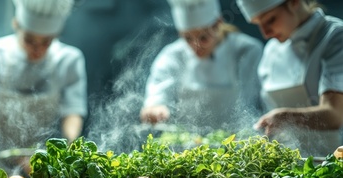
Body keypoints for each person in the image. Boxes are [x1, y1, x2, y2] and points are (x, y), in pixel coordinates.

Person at [0, 0, 87, 173]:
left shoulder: (69, 60)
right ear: (16, 24)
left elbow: (72, 113)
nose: (37, 50)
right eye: (30, 40)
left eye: (46, 42)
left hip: (42, 164)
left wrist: (69, 149)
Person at [237, 0, 343, 157]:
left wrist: (284, 117)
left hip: (332, 164)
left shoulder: (334, 36)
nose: (265, 33)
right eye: (258, 24)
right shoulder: (271, 51)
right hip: (288, 163)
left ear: (295, 2)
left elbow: (335, 115)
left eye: (271, 20)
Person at [140, 0, 263, 133]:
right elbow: (157, 97)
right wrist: (155, 108)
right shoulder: (171, 56)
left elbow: (253, 105)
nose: (195, 46)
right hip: (185, 147)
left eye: (203, 37)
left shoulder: (246, 50)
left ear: (218, 24)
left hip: (237, 143)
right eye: (187, 39)